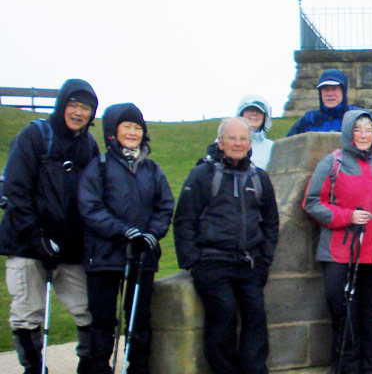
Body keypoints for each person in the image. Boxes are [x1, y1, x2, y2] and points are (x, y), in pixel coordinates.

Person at [0, 79, 99, 374]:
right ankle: (34, 368)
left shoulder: (89, 145)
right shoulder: (34, 135)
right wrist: (36, 237)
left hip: (70, 247)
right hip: (27, 244)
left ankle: (88, 363)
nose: (79, 112)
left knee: (88, 309)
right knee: (28, 314)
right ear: (62, 104)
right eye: (74, 104)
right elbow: (16, 190)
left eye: (86, 107)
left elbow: (93, 193)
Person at [173, 116, 279, 374]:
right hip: (211, 262)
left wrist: (264, 260)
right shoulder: (202, 175)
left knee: (256, 316)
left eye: (243, 138)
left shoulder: (259, 178)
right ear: (220, 142)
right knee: (224, 313)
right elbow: (184, 219)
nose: (238, 143)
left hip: (249, 262)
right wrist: (192, 263)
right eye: (232, 138)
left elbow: (271, 222)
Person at [77, 103, 174, 374]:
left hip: (142, 255)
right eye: (127, 127)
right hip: (104, 255)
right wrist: (121, 230)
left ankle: (138, 365)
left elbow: (165, 206)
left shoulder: (152, 169)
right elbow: (90, 207)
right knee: (104, 319)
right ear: (113, 131)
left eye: (137, 127)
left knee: (139, 317)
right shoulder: (99, 166)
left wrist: (152, 234)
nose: (133, 132)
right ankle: (99, 366)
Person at [303, 109, 372, 374]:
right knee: (345, 317)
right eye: (358, 129)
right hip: (340, 253)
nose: (364, 135)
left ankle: (371, 368)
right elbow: (311, 203)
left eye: (368, 129)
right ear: (348, 132)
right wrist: (347, 216)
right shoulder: (332, 162)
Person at [286, 69, 372, 136]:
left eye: (334, 89)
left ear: (343, 91)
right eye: (325, 89)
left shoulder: (358, 115)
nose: (330, 93)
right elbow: (287, 144)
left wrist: (357, 130)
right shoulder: (309, 119)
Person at [236, 94, 274, 170]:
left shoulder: (271, 147)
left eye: (259, 111)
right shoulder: (226, 141)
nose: (254, 113)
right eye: (250, 110)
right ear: (241, 113)